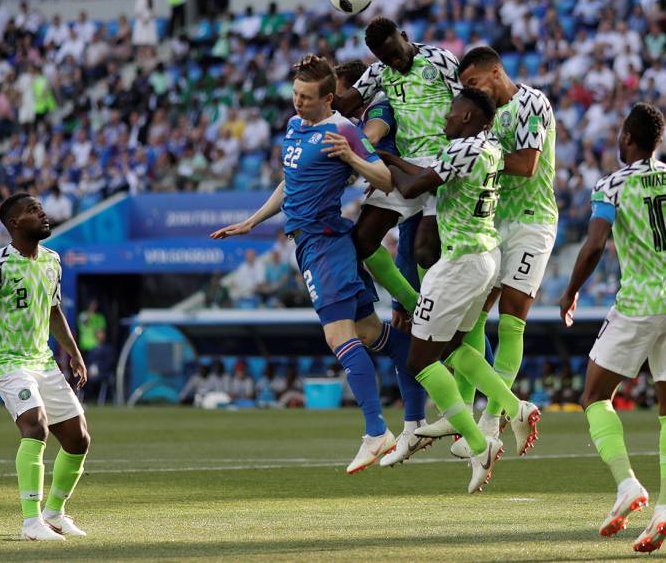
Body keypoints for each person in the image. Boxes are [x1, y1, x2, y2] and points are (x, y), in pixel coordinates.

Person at [211, 56, 418, 474]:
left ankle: (377, 431)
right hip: (308, 245)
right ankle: (427, 388)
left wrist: (352, 156)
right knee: (375, 336)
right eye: (295, 95)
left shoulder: (341, 130)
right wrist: (253, 221)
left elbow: (383, 179)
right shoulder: (294, 127)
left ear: (328, 98)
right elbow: (291, 182)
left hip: (326, 245)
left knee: (339, 338)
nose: (298, 103)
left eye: (306, 97)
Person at [558, 103, 666, 553]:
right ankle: (665, 508)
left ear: (627, 139)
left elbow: (596, 243)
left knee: (594, 395)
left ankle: (626, 485)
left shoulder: (613, 184)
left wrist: (571, 290)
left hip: (638, 307)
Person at [384, 89, 541, 494]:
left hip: (457, 265)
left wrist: (371, 158)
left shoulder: (463, 149)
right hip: (484, 257)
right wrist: (390, 160)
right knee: (454, 349)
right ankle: (514, 406)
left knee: (421, 359)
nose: (445, 120)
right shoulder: (486, 148)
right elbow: (420, 174)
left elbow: (412, 187)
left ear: (469, 116)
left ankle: (477, 443)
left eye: (452, 114)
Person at [441, 46, 558, 454]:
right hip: (491, 224)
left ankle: (494, 417)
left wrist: (479, 159)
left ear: (495, 72)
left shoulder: (532, 102)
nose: (470, 90)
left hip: (531, 222)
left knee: (511, 318)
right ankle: (461, 415)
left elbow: (527, 164)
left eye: (473, 82)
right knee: (472, 316)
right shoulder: (488, 118)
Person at [0, 193, 91, 541]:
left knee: (78, 439)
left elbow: (53, 311)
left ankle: (54, 513)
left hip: (43, 362)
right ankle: (30, 522)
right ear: (15, 223)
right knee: (35, 427)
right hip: (8, 362)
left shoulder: (52, 261)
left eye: (42, 209)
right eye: (34, 211)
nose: (43, 214)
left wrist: (74, 353)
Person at [334, 59, 430, 466]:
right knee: (403, 329)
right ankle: (413, 426)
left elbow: (371, 136)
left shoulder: (378, 106)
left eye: (338, 91)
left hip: (407, 192)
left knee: (362, 241)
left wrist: (343, 151)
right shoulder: (356, 112)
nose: (335, 100)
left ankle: (488, 412)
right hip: (401, 201)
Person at [333, 16, 462, 314]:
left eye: (396, 52)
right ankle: (415, 306)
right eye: (385, 58)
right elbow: (342, 104)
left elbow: (465, 106)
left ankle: (435, 317)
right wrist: (316, 77)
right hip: (405, 168)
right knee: (361, 241)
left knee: (424, 252)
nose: (394, 61)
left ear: (404, 36)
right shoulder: (380, 72)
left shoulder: (439, 58)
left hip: (444, 165)